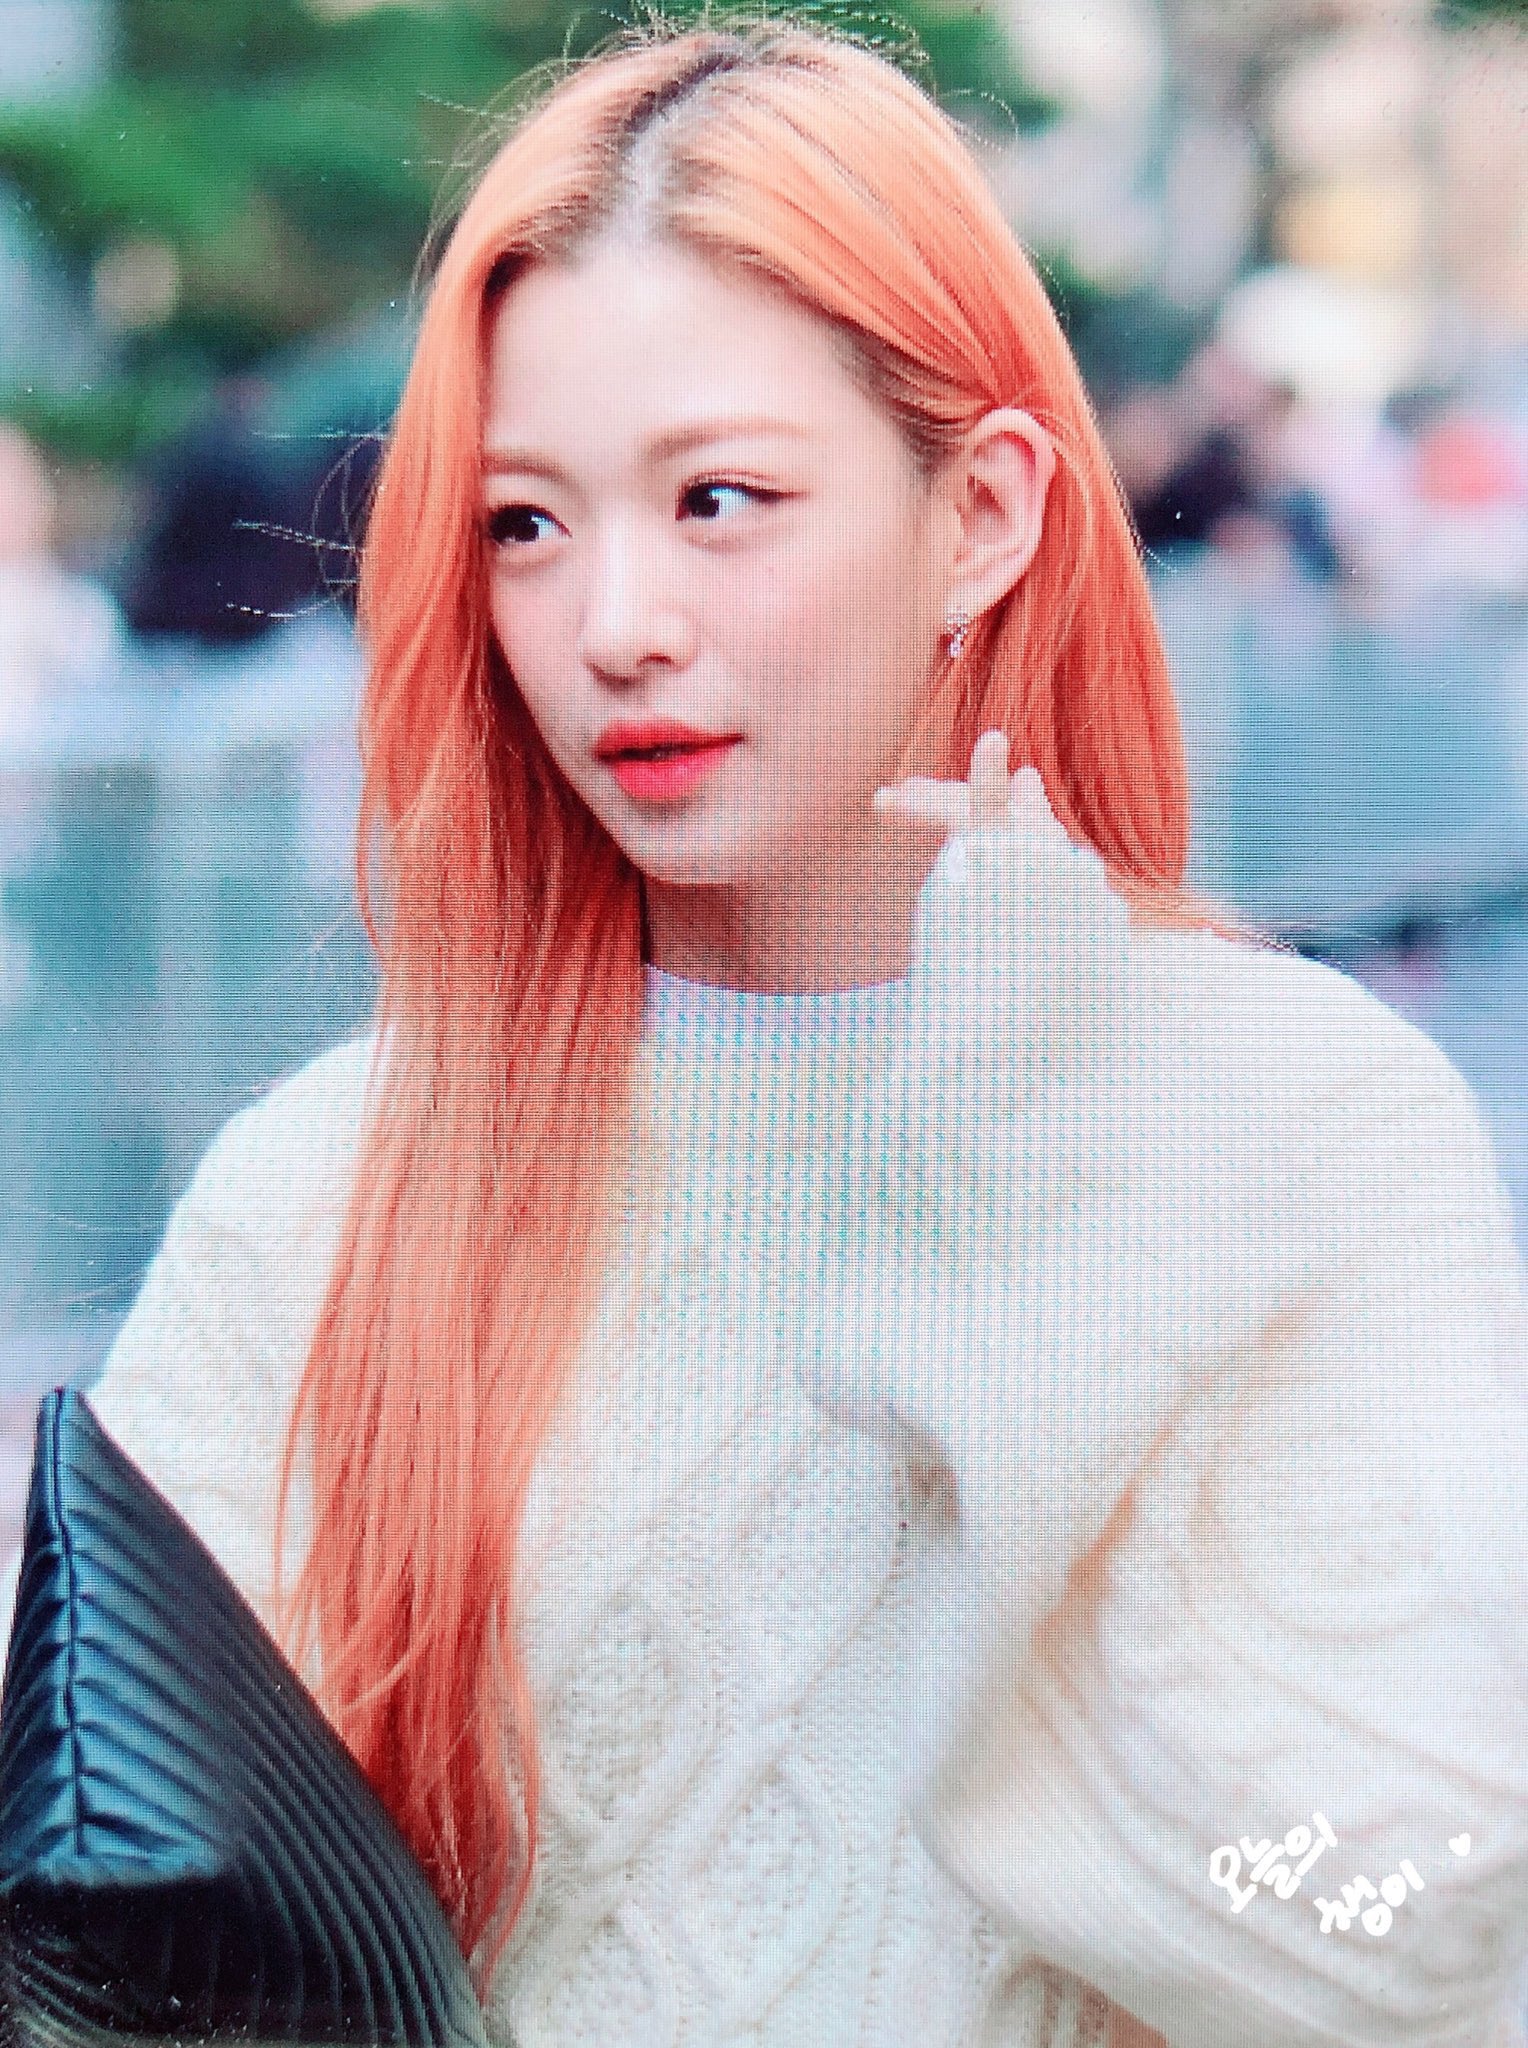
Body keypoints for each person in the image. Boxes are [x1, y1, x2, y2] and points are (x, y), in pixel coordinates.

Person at [3, 17, 1526, 2046]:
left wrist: (1022, 1357)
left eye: (718, 499)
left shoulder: (1297, 1129)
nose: (614, 622)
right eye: (524, 524)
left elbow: (1399, 1930)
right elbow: (121, 1972)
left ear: (980, 514)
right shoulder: (323, 1196)